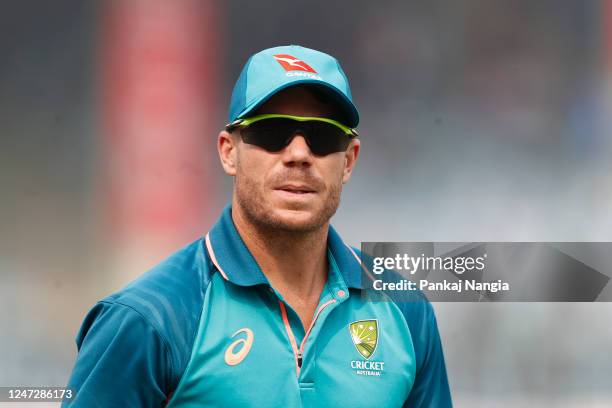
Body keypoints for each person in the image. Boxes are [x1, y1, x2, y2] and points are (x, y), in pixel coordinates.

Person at [64, 45, 452, 407]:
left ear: (348, 160)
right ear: (228, 152)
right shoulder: (149, 320)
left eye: (322, 136)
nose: (299, 154)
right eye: (272, 132)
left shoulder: (405, 311)